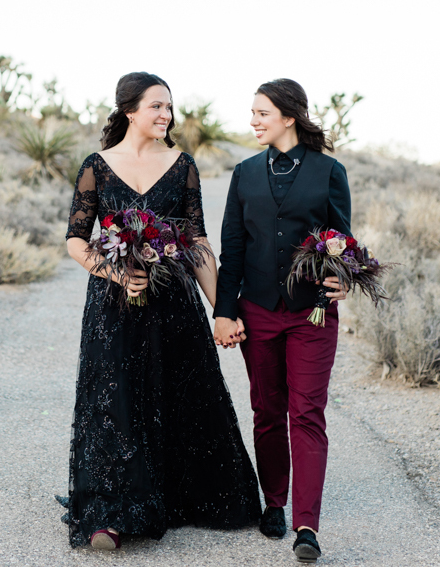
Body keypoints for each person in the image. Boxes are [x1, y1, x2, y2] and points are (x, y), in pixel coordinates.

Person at [61, 71, 261, 550]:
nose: (165, 115)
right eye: (156, 106)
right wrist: (114, 273)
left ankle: (170, 497)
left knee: (177, 396)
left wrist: (223, 312)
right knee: (114, 402)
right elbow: (75, 240)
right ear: (129, 110)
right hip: (113, 307)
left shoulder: (182, 165)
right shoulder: (97, 165)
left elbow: (197, 244)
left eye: (169, 107)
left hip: (173, 305)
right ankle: (108, 514)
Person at [212, 78, 352, 563]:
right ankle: (274, 502)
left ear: (289, 116)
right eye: (252, 113)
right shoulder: (244, 173)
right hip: (258, 312)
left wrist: (344, 277)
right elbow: (232, 247)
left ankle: (307, 525)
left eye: (261, 113)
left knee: (307, 414)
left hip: (312, 314)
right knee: (267, 411)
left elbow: (341, 240)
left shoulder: (329, 172)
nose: (253, 121)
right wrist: (224, 310)